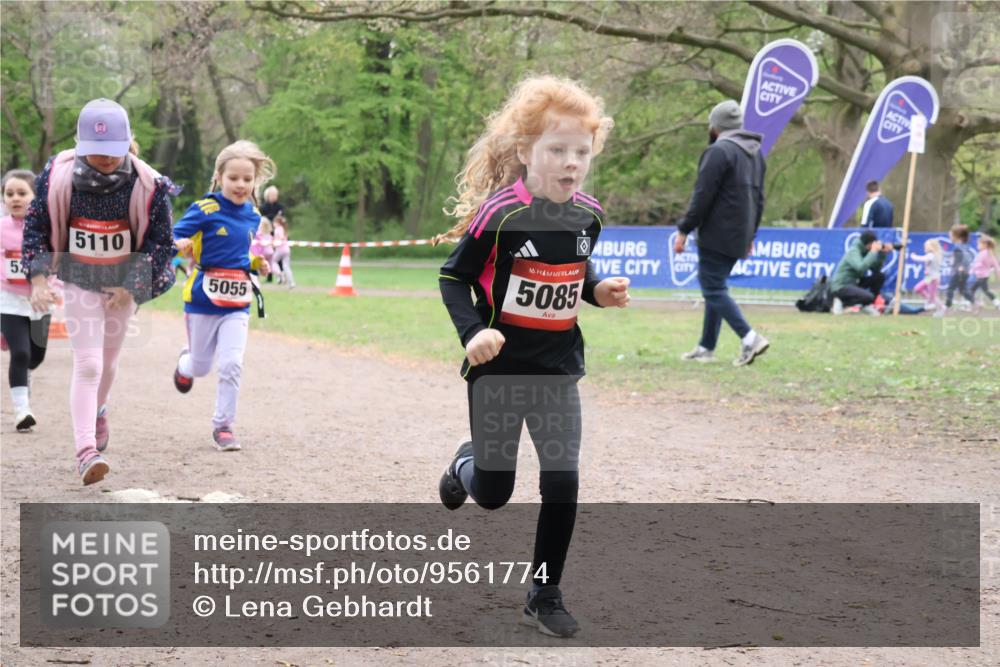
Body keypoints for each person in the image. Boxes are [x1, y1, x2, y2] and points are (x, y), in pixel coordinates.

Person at [435, 75, 629, 638]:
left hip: (557, 371)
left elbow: (574, 271)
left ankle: (544, 593)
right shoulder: (500, 215)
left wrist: (597, 291)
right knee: (493, 493)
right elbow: (454, 278)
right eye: (558, 151)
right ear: (525, 152)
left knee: (563, 481)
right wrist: (473, 332)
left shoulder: (589, 214)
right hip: (498, 373)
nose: (572, 164)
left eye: (582, 152)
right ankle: (463, 464)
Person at [21, 98, 176, 485]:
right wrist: (39, 277)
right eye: (96, 152)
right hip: (79, 279)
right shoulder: (58, 177)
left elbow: (161, 242)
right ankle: (85, 451)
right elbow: (37, 227)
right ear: (81, 144)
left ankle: (100, 408)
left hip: (122, 285)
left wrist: (132, 284)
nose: (105, 160)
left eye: (113, 152)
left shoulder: (148, 185)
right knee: (88, 363)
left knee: (108, 364)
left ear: (128, 143)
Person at [172, 140, 274, 452]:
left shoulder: (253, 216)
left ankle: (224, 426)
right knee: (201, 367)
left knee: (231, 363)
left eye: (247, 179)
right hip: (203, 300)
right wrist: (180, 242)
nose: (241, 184)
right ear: (219, 176)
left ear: (255, 181)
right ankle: (185, 364)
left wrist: (257, 264)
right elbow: (175, 233)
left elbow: (240, 254)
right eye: (234, 178)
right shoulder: (204, 209)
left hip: (237, 303)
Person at [675, 100, 769, 366]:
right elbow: (760, 199)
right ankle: (706, 346)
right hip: (740, 233)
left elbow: (702, 196)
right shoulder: (755, 154)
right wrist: (751, 235)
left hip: (717, 233)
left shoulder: (718, 152)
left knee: (713, 287)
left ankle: (750, 338)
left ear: (715, 127)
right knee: (715, 287)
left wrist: (684, 228)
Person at [2, 169, 51, 432]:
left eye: (22, 193)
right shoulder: (1, 228)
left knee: (35, 356)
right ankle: (22, 410)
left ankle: (25, 373)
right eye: (9, 194)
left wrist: (51, 288)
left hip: (40, 302)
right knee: (19, 353)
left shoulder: (46, 229)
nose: (15, 198)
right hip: (8, 300)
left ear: (35, 197)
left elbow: (56, 260)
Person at [830, 230, 888, 315]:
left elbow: (876, 269)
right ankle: (841, 302)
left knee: (879, 277)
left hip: (853, 283)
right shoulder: (853, 251)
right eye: (872, 244)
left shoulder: (865, 251)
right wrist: (873, 252)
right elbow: (861, 268)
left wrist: (882, 254)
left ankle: (867, 303)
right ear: (868, 243)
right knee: (868, 296)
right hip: (841, 286)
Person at [941, 224, 976, 315]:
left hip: (959, 272)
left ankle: (947, 306)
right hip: (964, 272)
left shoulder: (958, 247)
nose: (949, 235)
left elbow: (962, 258)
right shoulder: (963, 246)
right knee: (962, 289)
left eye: (951, 234)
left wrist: (960, 267)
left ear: (957, 236)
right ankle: (974, 302)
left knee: (950, 288)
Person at [911, 238, 943, 311]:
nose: (925, 247)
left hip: (934, 278)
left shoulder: (931, 255)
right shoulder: (930, 255)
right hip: (929, 278)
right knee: (918, 288)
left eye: (927, 246)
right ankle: (932, 302)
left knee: (933, 296)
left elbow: (921, 259)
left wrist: (913, 256)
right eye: (925, 246)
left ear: (932, 247)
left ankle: (938, 306)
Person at [969, 235, 1000, 310]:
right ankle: (976, 303)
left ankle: (996, 303)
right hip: (983, 276)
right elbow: (995, 264)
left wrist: (970, 271)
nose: (977, 246)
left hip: (982, 276)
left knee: (981, 291)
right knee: (975, 290)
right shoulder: (988, 252)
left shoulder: (984, 253)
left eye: (979, 244)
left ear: (985, 245)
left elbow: (978, 264)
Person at [260, 186, 283, 284]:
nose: (274, 197)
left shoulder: (280, 206)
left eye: (275, 195)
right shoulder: (263, 207)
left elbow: (281, 218)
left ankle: (281, 275)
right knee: (267, 255)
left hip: (277, 235)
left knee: (278, 255)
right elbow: (263, 218)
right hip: (266, 235)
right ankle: (268, 276)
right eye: (272, 195)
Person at [271, 214, 295, 288]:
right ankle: (291, 283)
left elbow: (280, 238)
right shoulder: (284, 229)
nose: (273, 224)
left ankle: (280, 274)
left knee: (273, 262)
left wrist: (275, 243)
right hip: (287, 249)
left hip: (280, 249)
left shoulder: (278, 229)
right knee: (286, 266)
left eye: (274, 223)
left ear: (277, 223)